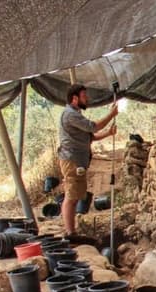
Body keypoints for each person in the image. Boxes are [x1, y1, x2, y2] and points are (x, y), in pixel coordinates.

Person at [58, 84, 117, 237]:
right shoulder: (70, 115)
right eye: (84, 96)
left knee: (75, 195)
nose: (87, 99)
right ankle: (70, 233)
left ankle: (72, 231)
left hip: (77, 161)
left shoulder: (75, 114)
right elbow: (93, 127)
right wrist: (111, 115)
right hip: (72, 160)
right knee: (71, 196)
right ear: (75, 98)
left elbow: (90, 137)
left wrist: (108, 133)